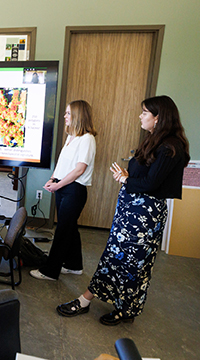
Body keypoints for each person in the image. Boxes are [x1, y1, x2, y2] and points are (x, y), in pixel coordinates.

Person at [56, 95, 190, 326]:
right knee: (113, 257)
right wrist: (126, 178)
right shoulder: (154, 140)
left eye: (145, 112)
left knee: (135, 264)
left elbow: (150, 184)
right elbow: (141, 175)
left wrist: (126, 179)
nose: (140, 115)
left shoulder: (170, 147)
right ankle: (90, 299)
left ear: (158, 118)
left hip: (144, 216)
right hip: (130, 212)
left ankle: (124, 309)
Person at [30, 100, 97, 281]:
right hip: (63, 186)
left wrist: (58, 185)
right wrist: (53, 179)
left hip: (74, 190)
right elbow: (63, 164)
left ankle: (50, 271)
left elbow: (79, 170)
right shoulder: (71, 137)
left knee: (62, 232)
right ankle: (74, 265)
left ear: (78, 116)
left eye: (68, 113)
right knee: (70, 228)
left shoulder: (87, 139)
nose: (65, 116)